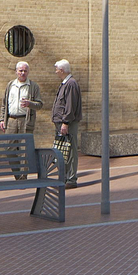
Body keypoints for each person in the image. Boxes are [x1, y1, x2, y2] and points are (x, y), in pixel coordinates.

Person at [0, 60, 44, 179]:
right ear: (16, 72)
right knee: (10, 149)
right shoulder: (10, 85)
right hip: (11, 120)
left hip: (26, 120)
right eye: (20, 71)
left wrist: (30, 104)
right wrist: (2, 119)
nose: (23, 73)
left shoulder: (33, 86)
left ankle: (23, 177)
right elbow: (4, 104)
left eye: (25, 71)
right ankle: (18, 175)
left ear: (28, 72)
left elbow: (39, 104)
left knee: (25, 150)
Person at [50, 59, 82, 188]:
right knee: (63, 151)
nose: (56, 71)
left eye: (57, 69)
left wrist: (65, 122)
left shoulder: (71, 84)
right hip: (62, 123)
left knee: (70, 151)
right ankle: (63, 178)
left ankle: (70, 179)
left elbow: (70, 105)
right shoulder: (66, 83)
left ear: (62, 70)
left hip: (67, 123)